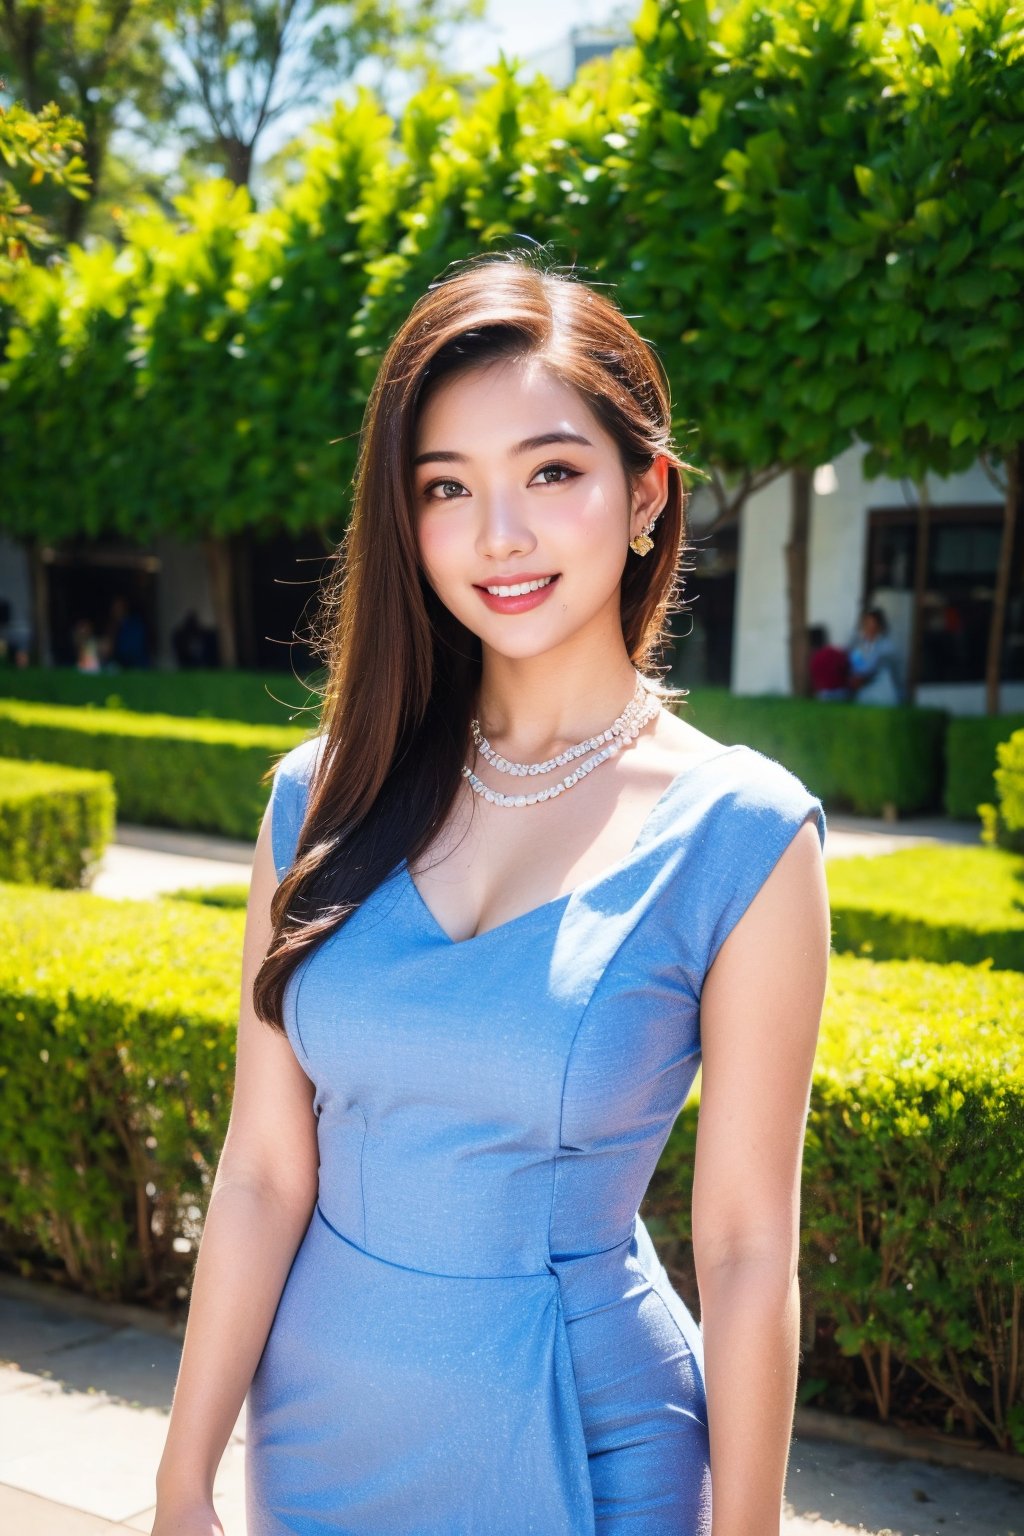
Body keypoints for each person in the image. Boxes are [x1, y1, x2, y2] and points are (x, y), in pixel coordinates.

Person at [152, 253, 830, 1536]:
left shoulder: (739, 834)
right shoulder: (318, 796)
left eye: (552, 472)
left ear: (645, 494)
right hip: (316, 1440)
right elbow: (257, 1175)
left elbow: (746, 1253)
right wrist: (181, 1478)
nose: (499, 535)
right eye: (446, 488)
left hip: (589, 1443)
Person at [848, 606, 902, 706]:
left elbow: (874, 666)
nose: (867, 627)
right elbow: (857, 666)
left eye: (871, 623)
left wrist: (862, 678)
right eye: (865, 623)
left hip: (882, 692)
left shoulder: (887, 646)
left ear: (879, 626)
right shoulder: (861, 645)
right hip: (864, 693)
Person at [807, 623, 851, 700]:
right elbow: (846, 668)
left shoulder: (814, 658)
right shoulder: (836, 652)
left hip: (824, 695)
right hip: (841, 693)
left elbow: (814, 682)